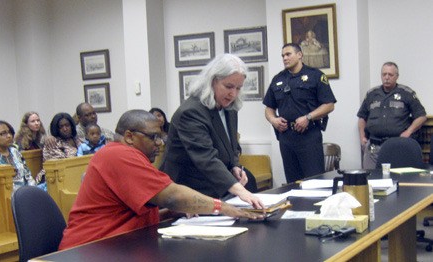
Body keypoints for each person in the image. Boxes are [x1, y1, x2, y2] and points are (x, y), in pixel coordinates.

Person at [58, 109, 263, 250]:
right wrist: (224, 207)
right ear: (129, 136)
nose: (158, 143)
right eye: (153, 137)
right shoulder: (118, 155)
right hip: (89, 249)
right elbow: (171, 195)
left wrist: (172, 212)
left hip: (119, 244)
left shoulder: (130, 155)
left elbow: (135, 210)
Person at [160, 54, 261, 205]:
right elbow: (206, 159)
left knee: (250, 180)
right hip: (191, 186)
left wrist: (234, 166)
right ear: (212, 81)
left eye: (238, 88)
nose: (233, 94)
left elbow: (231, 146)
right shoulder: (191, 112)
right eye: (228, 86)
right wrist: (240, 191)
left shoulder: (229, 108)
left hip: (214, 182)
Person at [263, 43, 336, 183]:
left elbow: (329, 105)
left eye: (288, 54)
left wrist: (308, 117)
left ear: (300, 55)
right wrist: (273, 120)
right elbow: (268, 108)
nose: (285, 58)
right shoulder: (278, 79)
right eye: (283, 55)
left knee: (314, 181)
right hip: (286, 137)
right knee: (292, 182)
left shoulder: (315, 76)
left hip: (308, 135)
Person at [357, 62, 427, 169]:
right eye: (384, 74)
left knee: (397, 178)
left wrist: (409, 132)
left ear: (397, 76)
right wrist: (362, 137)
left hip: (397, 146)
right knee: (370, 179)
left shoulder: (406, 93)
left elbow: (421, 116)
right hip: (373, 147)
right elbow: (362, 117)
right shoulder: (371, 94)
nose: (386, 78)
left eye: (390, 75)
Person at [0, 121, 36, 191]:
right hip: (5, 193)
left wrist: (33, 189)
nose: (9, 136)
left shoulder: (14, 151)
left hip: (25, 191)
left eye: (9, 132)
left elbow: (27, 174)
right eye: (3, 133)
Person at [37, 113, 80, 184]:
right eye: (61, 127)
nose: (65, 129)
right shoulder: (53, 142)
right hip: (54, 179)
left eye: (67, 125)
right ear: (56, 129)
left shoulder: (76, 140)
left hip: (75, 175)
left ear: (72, 126)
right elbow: (59, 165)